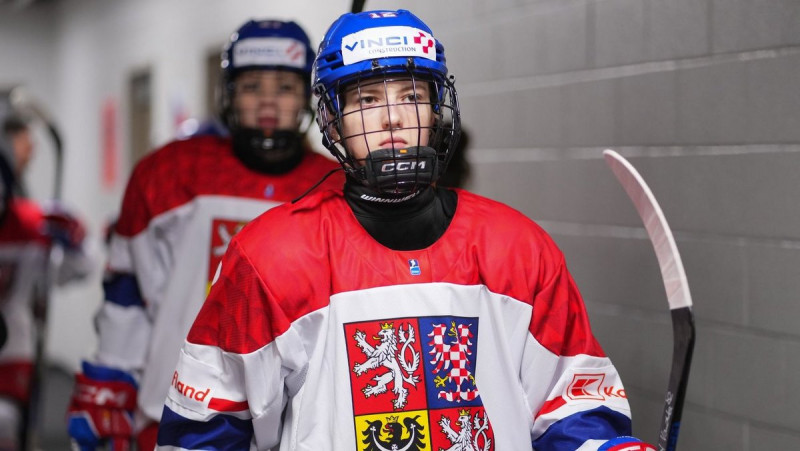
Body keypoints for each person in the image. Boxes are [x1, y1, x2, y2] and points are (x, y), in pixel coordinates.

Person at [157, 9, 655, 451]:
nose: (393, 118)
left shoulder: (517, 247)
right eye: (367, 99)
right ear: (332, 119)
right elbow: (206, 426)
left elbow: (571, 406)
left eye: (412, 95)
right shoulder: (270, 255)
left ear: (437, 109)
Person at [66, 19, 343, 451]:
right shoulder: (168, 174)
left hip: (294, 424)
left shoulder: (335, 187)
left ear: (307, 97)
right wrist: (112, 377)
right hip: (175, 411)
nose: (268, 100)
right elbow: (128, 293)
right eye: (252, 86)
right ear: (229, 93)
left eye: (286, 88)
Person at [0, 132, 90, 450]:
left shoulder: (31, 227)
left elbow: (73, 271)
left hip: (14, 345)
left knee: (7, 421)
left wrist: (75, 245)